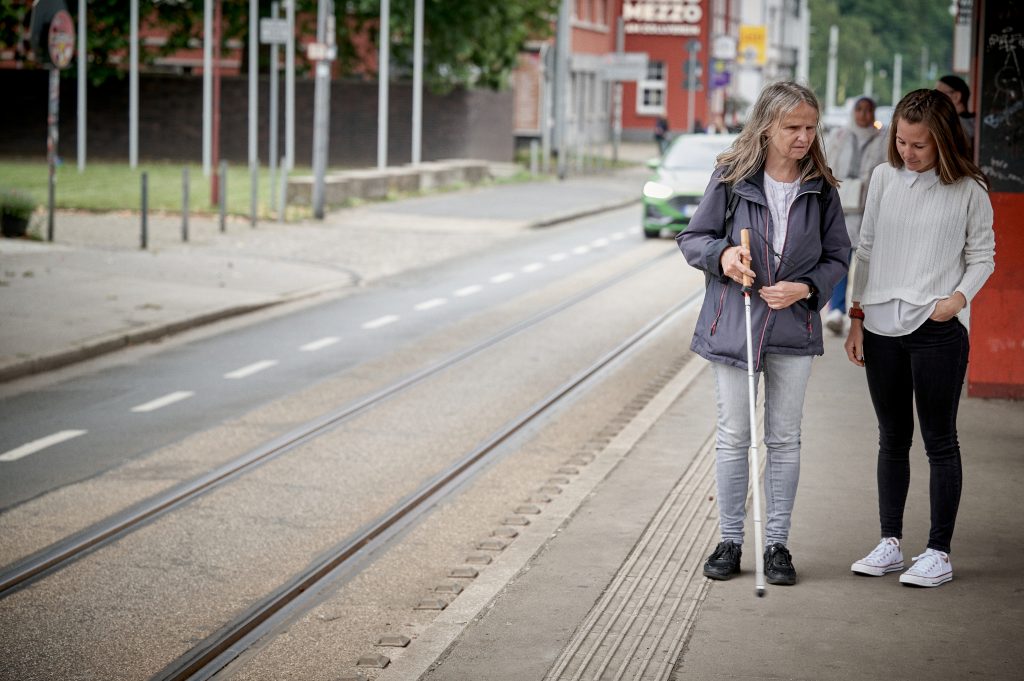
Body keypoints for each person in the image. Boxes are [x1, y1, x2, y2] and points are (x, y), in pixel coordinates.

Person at [677, 81, 850, 586]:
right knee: (734, 437)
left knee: (784, 438)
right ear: (767, 126)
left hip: (793, 326)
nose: (803, 137)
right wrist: (725, 257)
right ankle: (731, 541)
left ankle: (777, 544)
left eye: (810, 127)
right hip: (735, 324)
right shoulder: (732, 176)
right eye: (792, 127)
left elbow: (839, 255)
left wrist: (806, 289)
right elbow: (693, 239)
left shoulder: (821, 186)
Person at [844, 89, 994, 588]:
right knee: (891, 439)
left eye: (919, 145)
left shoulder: (970, 189)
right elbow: (865, 249)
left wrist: (955, 301)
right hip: (882, 327)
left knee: (939, 441)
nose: (906, 152)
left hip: (937, 332)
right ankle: (890, 543)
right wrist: (857, 315)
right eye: (901, 141)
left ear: (945, 142)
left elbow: (982, 257)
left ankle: (938, 551)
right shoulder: (883, 178)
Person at [823, 96, 887, 335]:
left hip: (871, 209)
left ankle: (862, 312)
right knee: (840, 258)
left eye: (868, 110)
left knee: (868, 262)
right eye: (859, 109)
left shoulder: (883, 138)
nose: (863, 114)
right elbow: (827, 165)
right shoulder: (839, 136)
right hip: (841, 207)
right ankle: (836, 310)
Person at [935, 75, 976, 150]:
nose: (935, 99)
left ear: (956, 96)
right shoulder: (976, 123)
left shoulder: (954, 125)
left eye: (938, 94)